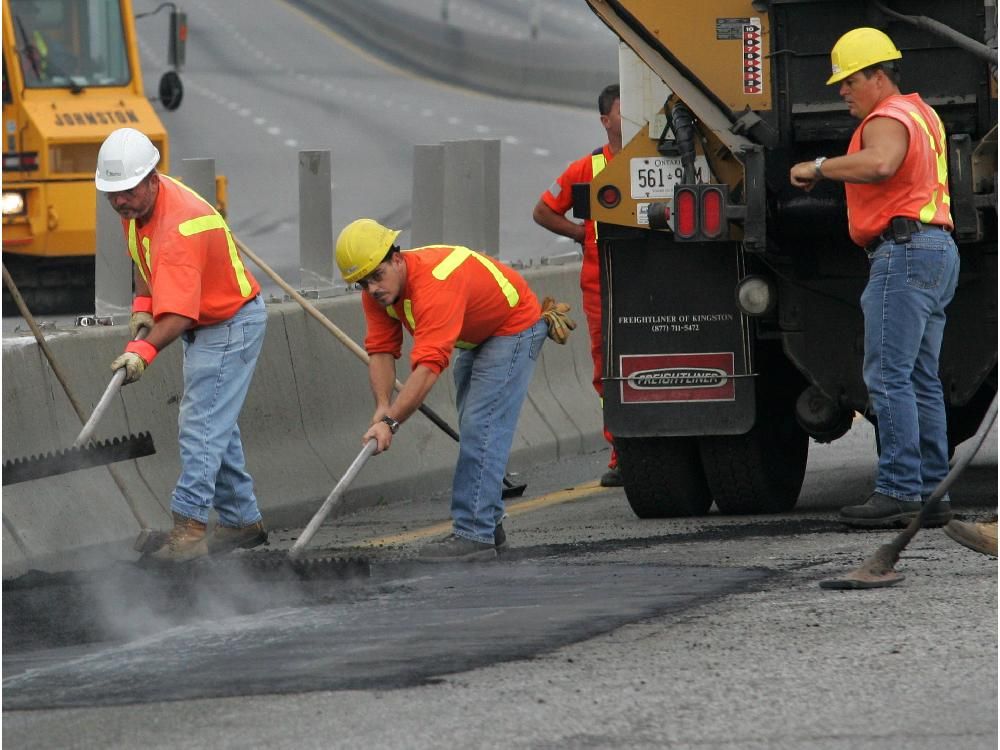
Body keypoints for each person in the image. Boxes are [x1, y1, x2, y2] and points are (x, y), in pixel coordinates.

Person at [790, 28, 960, 528]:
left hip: (903, 252)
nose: (842, 90)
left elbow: (881, 163)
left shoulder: (887, 118)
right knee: (921, 378)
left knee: (887, 375)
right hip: (935, 250)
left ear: (878, 76)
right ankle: (932, 492)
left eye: (849, 80)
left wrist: (819, 167)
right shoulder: (923, 114)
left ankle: (899, 489)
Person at [335, 219, 568, 562]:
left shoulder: (435, 284)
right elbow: (382, 349)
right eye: (362, 283)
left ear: (396, 258)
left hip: (513, 327)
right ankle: (489, 523)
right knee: (476, 426)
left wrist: (393, 422)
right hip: (475, 335)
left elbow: (428, 368)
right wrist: (382, 407)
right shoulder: (379, 293)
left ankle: (474, 532)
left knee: (481, 426)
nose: (371, 289)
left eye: (376, 276)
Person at [96, 127, 268, 563]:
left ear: (152, 177)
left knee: (200, 425)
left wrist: (142, 353)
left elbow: (179, 316)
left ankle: (190, 529)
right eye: (112, 194)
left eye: (126, 192)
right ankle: (241, 522)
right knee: (216, 426)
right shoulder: (137, 203)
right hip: (210, 320)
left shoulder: (180, 226)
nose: (119, 202)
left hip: (229, 323)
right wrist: (141, 307)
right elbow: (141, 257)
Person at [532, 84, 623, 487]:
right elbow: (543, 210)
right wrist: (580, 233)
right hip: (601, 287)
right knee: (607, 370)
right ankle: (621, 452)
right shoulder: (586, 169)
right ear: (605, 121)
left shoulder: (662, 160)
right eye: (622, 111)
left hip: (653, 283)